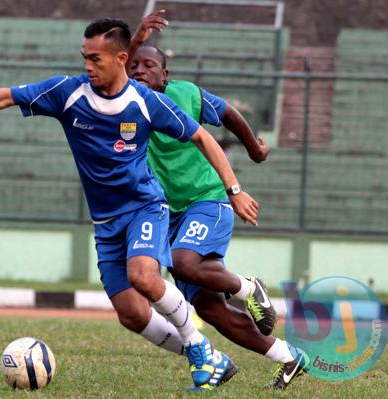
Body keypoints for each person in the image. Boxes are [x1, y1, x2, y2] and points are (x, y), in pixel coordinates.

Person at [0, 18, 260, 391]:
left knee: (143, 276)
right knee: (132, 315)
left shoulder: (144, 101)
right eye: (84, 57)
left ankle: (199, 351)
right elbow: (7, 95)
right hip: (106, 223)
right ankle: (213, 359)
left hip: (146, 207)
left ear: (120, 58)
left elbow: (202, 136)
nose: (87, 66)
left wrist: (234, 189)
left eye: (95, 59)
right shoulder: (67, 93)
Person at [126, 10, 309, 390]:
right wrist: (134, 40)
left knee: (182, 262)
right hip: (170, 214)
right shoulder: (125, 105)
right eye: (135, 65)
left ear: (165, 76)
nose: (141, 70)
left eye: (150, 65)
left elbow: (228, 113)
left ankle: (247, 287)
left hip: (208, 201)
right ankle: (288, 356)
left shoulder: (186, 95)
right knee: (209, 308)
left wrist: (255, 149)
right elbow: (110, 71)